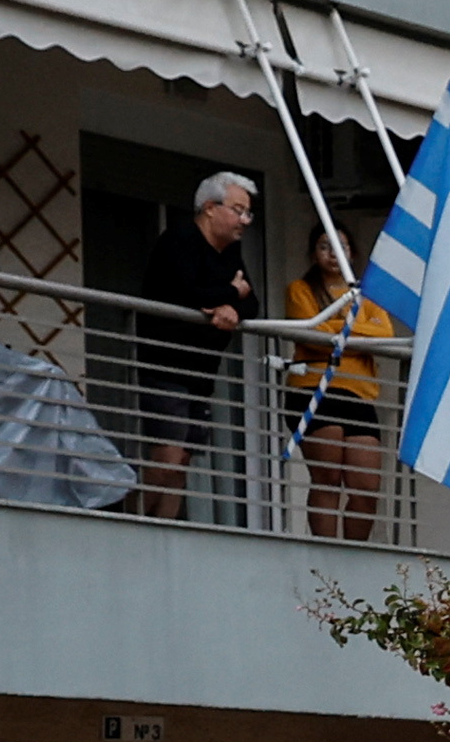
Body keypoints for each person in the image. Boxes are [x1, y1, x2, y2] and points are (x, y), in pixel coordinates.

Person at [125, 170, 259, 521]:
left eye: (248, 213)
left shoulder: (231, 252)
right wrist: (232, 292)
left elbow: (252, 304)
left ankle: (164, 531)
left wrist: (230, 305)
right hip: (165, 364)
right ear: (210, 208)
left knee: (182, 460)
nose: (244, 220)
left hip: (201, 372)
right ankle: (124, 517)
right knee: (168, 456)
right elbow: (186, 295)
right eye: (238, 210)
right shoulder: (179, 239)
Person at [274, 234, 398, 543]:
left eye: (341, 246)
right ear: (313, 253)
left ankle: (353, 554)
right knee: (327, 478)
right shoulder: (301, 289)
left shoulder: (366, 295)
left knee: (366, 487)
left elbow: (385, 335)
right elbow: (311, 334)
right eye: (324, 246)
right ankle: (326, 554)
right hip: (315, 390)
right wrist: (355, 337)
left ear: (352, 253)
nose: (333, 253)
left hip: (359, 394)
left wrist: (340, 335)